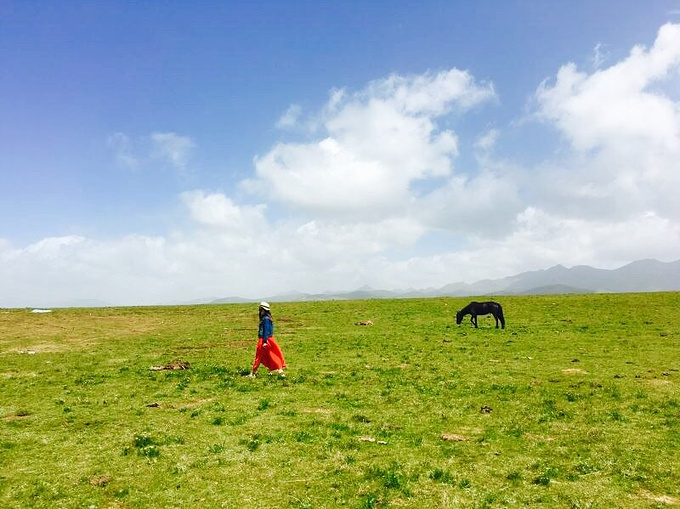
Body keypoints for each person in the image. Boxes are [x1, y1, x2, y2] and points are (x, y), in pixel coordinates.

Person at [248, 302, 286, 377]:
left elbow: (266, 330)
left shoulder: (265, 319)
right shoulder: (268, 318)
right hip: (269, 339)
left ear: (263, 310)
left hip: (264, 339)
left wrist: (265, 341)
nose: (259, 311)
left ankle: (253, 373)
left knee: (259, 356)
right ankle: (279, 370)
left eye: (260, 309)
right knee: (272, 355)